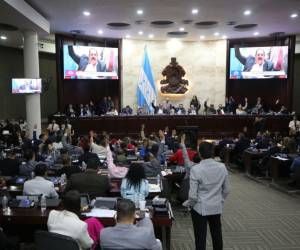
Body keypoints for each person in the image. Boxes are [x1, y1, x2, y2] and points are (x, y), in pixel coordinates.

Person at [187, 141, 230, 250]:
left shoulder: (196, 169)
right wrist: (220, 200)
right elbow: (227, 190)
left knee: (200, 237)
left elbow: (192, 195)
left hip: (200, 207)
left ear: (199, 154)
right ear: (212, 153)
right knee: (217, 235)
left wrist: (189, 206)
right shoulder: (222, 167)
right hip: (216, 206)